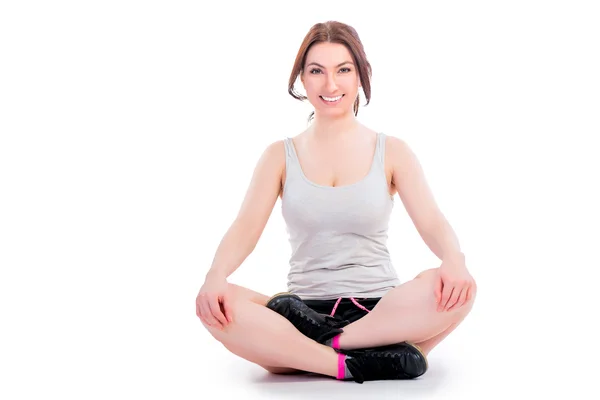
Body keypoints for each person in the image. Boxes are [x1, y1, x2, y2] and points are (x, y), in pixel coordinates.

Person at [195, 20, 477, 384]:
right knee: (222, 304)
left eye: (343, 70)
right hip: (302, 311)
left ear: (360, 75)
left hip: (381, 315)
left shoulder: (392, 151)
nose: (330, 85)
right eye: (317, 71)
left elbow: (432, 221)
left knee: (460, 289)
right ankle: (356, 362)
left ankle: (324, 348)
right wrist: (215, 277)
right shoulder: (278, 156)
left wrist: (455, 260)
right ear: (302, 79)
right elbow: (245, 228)